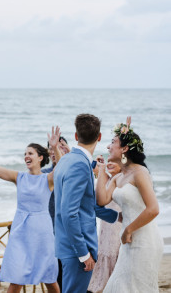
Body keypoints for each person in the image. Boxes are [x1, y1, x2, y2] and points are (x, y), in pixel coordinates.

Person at [0, 127, 60, 293]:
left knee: (49, 278)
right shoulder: (19, 177)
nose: (26, 156)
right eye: (25, 153)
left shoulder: (48, 179)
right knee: (17, 278)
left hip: (42, 233)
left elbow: (61, 169)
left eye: (30, 153)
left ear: (40, 158)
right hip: (21, 232)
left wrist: (55, 148)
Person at [53, 114, 119, 293]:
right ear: (99, 137)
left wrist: (116, 216)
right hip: (77, 249)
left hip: (67, 243)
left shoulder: (66, 160)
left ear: (76, 136)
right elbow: (69, 213)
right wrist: (83, 253)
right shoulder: (79, 165)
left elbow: (85, 205)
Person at [96, 117, 163, 293]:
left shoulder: (140, 172)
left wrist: (127, 230)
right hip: (128, 242)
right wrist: (102, 171)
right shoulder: (118, 178)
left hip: (144, 240)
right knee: (117, 286)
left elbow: (153, 209)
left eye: (113, 142)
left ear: (125, 149)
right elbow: (101, 200)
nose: (108, 147)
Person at [87, 160, 122, 293]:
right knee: (104, 250)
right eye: (109, 161)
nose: (110, 163)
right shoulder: (108, 179)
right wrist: (98, 163)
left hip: (117, 225)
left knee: (113, 252)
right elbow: (94, 167)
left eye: (114, 162)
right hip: (105, 226)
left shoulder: (121, 181)